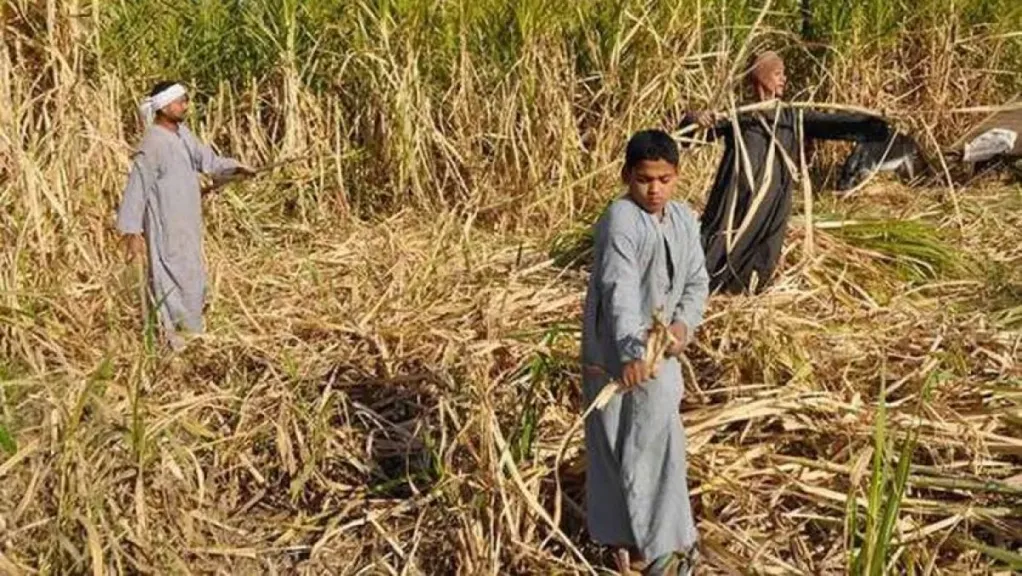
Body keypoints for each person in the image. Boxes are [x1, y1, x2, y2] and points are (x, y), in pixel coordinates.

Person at [581, 129, 709, 575]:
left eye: (665, 179)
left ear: (677, 177)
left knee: (657, 443)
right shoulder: (620, 219)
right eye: (644, 179)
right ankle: (628, 546)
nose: (654, 189)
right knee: (617, 445)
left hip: (662, 354)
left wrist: (681, 327)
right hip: (615, 356)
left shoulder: (683, 220)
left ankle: (663, 550)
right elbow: (619, 292)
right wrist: (633, 352)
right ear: (626, 177)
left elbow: (696, 282)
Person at [683, 51, 892, 294]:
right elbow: (693, 135)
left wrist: (873, 123)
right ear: (759, 76)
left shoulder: (792, 116)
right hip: (735, 196)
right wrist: (696, 120)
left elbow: (832, 124)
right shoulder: (739, 115)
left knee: (764, 246)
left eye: (783, 74)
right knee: (720, 238)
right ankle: (700, 286)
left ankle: (746, 291)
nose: (784, 79)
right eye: (777, 73)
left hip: (772, 200)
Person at [116, 81, 254, 350]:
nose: (185, 106)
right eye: (181, 102)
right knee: (172, 278)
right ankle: (176, 343)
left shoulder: (183, 135)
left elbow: (209, 163)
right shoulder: (153, 144)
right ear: (164, 106)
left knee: (192, 276)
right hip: (166, 226)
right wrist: (132, 232)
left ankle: (193, 337)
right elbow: (137, 187)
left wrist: (237, 169)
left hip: (187, 223)